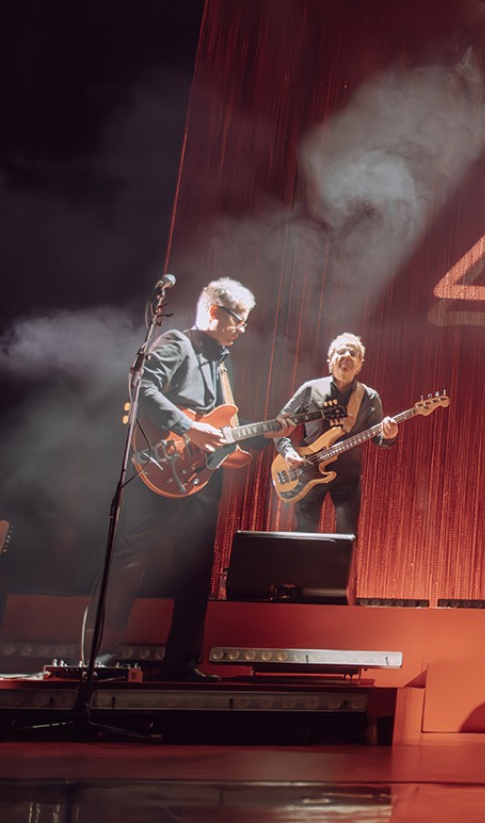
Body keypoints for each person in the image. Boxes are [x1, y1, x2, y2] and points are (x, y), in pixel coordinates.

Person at [93, 277, 257, 681]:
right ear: (216, 312)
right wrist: (187, 427)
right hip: (159, 467)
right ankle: (100, 656)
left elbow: (221, 419)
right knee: (132, 558)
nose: (242, 329)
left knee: (197, 568)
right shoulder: (176, 343)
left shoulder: (224, 362)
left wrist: (237, 440)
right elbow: (142, 385)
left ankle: (181, 663)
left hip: (201, 475)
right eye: (238, 320)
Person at [274, 333, 398, 536]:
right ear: (330, 359)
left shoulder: (369, 396)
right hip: (306, 473)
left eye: (354, 353)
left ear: (360, 365)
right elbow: (279, 425)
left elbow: (380, 438)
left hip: (347, 477)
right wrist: (287, 452)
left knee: (346, 538)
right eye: (341, 351)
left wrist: (390, 435)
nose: (347, 356)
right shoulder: (310, 390)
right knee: (303, 536)